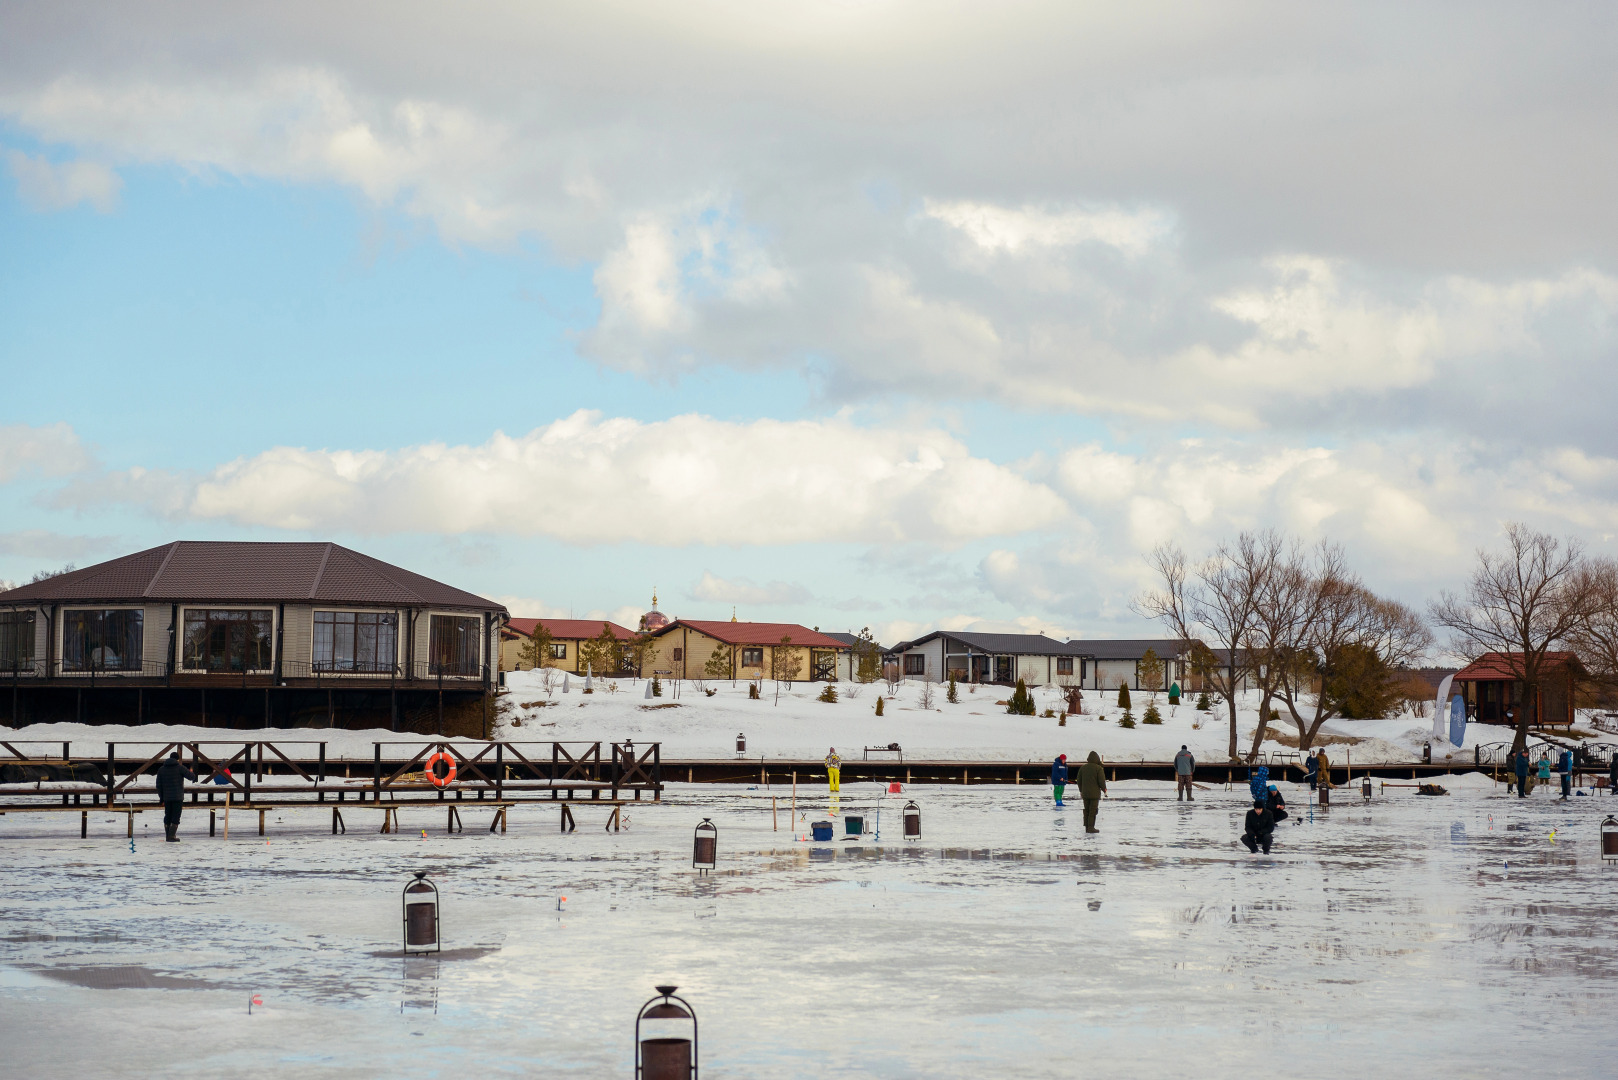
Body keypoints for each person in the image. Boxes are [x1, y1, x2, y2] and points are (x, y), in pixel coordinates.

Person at [153, 752, 197, 842]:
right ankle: (171, 836)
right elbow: (192, 777)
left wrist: (161, 798)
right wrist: (191, 771)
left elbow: (158, 785)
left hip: (166, 797)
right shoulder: (180, 768)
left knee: (168, 815)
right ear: (177, 759)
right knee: (176, 816)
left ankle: (168, 836)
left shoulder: (161, 769)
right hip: (177, 797)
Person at [1077, 750, 1107, 834]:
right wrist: (1104, 789)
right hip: (1094, 794)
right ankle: (1091, 827)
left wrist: (1081, 790)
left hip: (1085, 793)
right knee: (1093, 811)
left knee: (1086, 810)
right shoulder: (1098, 768)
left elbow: (1079, 780)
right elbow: (1101, 781)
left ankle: (1086, 827)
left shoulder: (1083, 767)